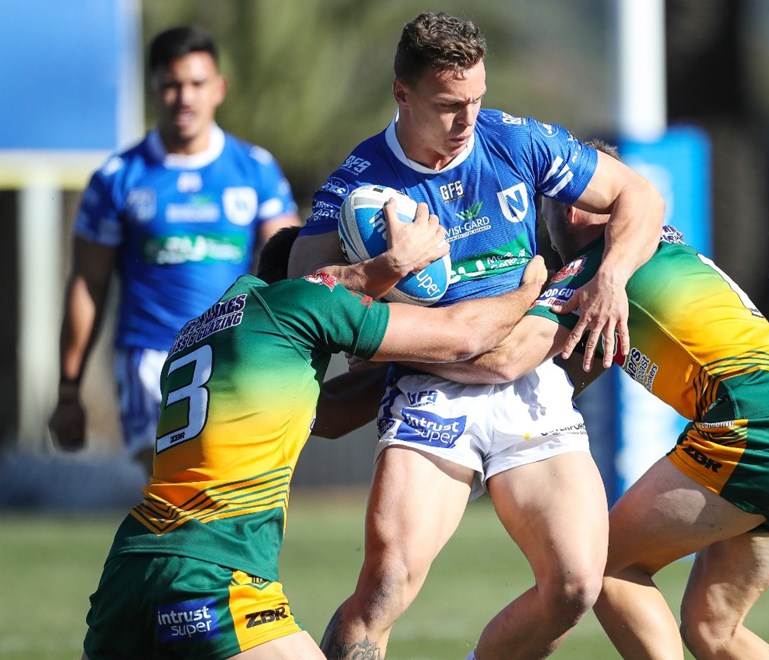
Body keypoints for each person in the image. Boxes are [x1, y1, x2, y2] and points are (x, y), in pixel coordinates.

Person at [287, 11, 665, 659]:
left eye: (476, 99)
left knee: (574, 586)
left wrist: (612, 279)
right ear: (403, 94)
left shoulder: (515, 140)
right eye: (448, 105)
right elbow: (303, 286)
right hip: (430, 392)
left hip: (528, 387)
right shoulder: (363, 181)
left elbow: (641, 197)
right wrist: (385, 269)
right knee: (384, 588)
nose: (467, 119)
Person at [426, 141, 769, 659]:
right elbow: (573, 370)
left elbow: (506, 360)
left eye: (548, 206)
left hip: (756, 427)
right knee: (714, 628)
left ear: (571, 207)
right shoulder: (665, 248)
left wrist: (386, 341)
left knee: (606, 566)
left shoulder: (595, 267)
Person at [79, 204, 549, 660]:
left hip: (129, 565)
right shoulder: (301, 302)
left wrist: (400, 364)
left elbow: (329, 415)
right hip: (213, 566)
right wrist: (530, 291)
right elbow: (463, 337)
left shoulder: (200, 334)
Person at [50, 25, 301, 474]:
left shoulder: (254, 170)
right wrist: (69, 390)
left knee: (229, 487)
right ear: (152, 89)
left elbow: (290, 263)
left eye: (197, 84)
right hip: (149, 358)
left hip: (233, 350)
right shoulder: (118, 177)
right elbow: (88, 284)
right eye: (171, 85)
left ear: (218, 89)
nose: (185, 97)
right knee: (177, 482)